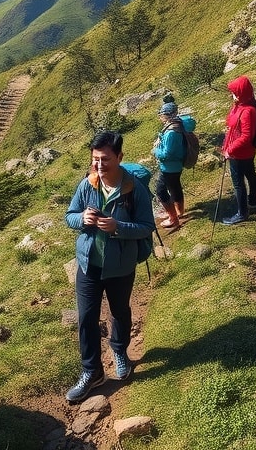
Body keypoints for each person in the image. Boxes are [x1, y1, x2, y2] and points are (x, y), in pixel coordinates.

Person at [65, 130, 156, 403]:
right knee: (86, 318)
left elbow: (146, 227)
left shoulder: (134, 190)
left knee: (119, 311)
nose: (99, 166)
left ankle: (119, 350)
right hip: (88, 265)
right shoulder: (87, 185)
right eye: (95, 160)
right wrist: (82, 218)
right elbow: (68, 216)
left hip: (120, 266)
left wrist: (118, 227)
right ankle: (92, 372)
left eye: (105, 159)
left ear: (119, 157)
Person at [221, 76, 256, 225]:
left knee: (238, 183)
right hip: (241, 152)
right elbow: (232, 127)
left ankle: (242, 213)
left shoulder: (248, 111)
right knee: (250, 174)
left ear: (241, 93)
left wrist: (229, 150)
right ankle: (252, 201)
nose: (232, 95)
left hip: (239, 154)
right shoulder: (240, 105)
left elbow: (246, 136)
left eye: (234, 92)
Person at [152, 94, 186, 229]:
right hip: (174, 165)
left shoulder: (172, 132)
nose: (160, 117)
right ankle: (179, 212)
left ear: (168, 115)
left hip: (170, 167)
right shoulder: (175, 126)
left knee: (160, 190)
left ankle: (173, 218)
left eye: (162, 115)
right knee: (174, 187)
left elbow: (167, 153)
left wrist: (155, 151)